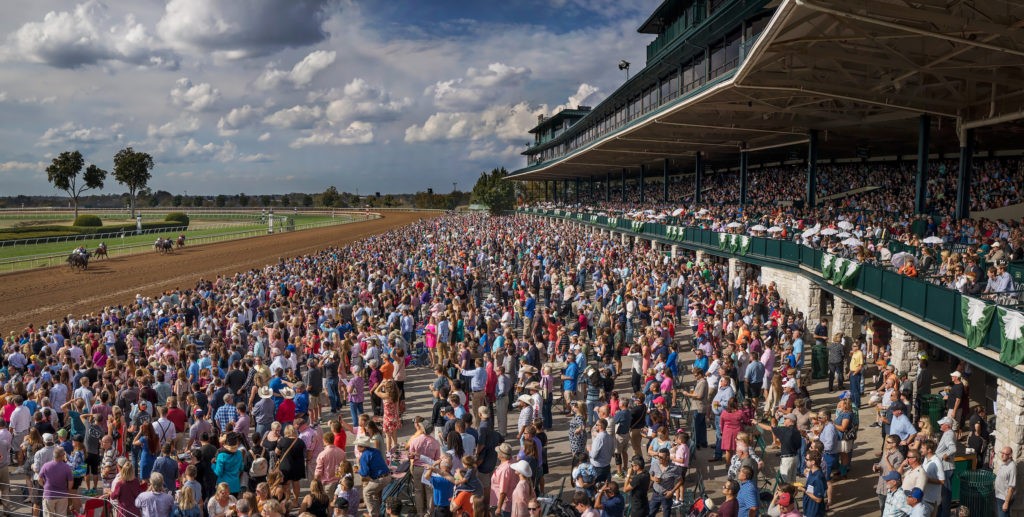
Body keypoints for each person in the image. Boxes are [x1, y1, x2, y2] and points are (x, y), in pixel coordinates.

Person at [355, 436, 390, 516]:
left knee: (366, 492)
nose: (357, 447)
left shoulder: (364, 456)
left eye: (359, 446)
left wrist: (358, 468)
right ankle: (378, 512)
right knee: (374, 494)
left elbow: (364, 473)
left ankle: (373, 514)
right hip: (387, 476)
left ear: (363, 447)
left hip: (379, 479)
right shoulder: (375, 451)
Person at [39, 446, 73, 517]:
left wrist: (44, 486)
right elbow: (70, 482)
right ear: (63, 455)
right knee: (61, 515)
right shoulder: (66, 467)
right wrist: (68, 490)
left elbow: (39, 478)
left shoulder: (46, 465)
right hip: (62, 495)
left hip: (49, 494)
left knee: (48, 515)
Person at [995, 446, 1017, 517]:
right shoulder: (1004, 462)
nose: (1002, 455)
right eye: (1002, 453)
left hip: (1004, 498)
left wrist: (1006, 503)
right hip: (998, 495)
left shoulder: (1012, 467)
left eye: (1004, 454)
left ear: (1010, 455)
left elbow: (1011, 487)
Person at [803, 450, 826, 517]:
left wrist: (804, 490)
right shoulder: (811, 472)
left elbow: (818, 499)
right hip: (808, 508)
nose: (805, 461)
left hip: (814, 512)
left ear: (813, 462)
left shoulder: (818, 478)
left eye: (807, 459)